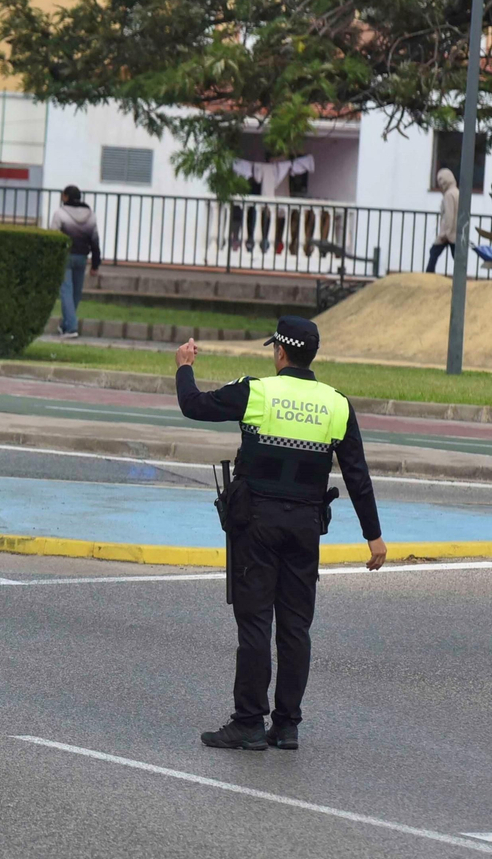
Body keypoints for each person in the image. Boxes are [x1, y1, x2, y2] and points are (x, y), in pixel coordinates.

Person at [174, 317, 386, 751]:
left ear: (281, 352)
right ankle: (287, 726)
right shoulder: (336, 404)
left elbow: (193, 405)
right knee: (295, 628)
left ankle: (249, 722)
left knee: (255, 622)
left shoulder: (257, 392)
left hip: (257, 524)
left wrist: (184, 367)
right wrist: (374, 536)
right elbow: (357, 474)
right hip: (305, 527)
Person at [49, 186, 101, 338]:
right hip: (82, 257)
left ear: (66, 197)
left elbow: (53, 237)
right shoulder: (90, 216)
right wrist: (95, 264)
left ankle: (71, 328)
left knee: (66, 292)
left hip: (65, 256)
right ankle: (66, 325)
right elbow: (95, 241)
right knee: (76, 293)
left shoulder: (60, 214)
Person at [427, 168, 459, 274]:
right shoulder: (456, 192)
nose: (440, 184)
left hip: (447, 233)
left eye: (440, 180)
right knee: (457, 257)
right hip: (455, 232)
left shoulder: (449, 195)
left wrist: (446, 233)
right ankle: (461, 277)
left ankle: (428, 275)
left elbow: (449, 215)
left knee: (434, 252)